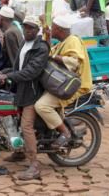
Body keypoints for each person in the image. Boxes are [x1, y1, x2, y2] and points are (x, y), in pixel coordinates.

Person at [0, 16, 49, 180]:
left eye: (31, 28)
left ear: (37, 30)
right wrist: (3, 73)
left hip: (33, 92)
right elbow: (17, 67)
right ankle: (19, 153)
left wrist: (10, 76)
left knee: (26, 126)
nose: (28, 30)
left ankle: (34, 166)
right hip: (21, 90)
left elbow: (31, 71)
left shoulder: (41, 48)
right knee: (17, 121)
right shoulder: (24, 44)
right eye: (26, 27)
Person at [35, 15, 93, 152]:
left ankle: (65, 132)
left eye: (53, 28)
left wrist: (53, 57)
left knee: (42, 106)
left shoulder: (72, 41)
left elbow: (73, 63)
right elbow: (49, 52)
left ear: (60, 30)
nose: (52, 30)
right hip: (62, 83)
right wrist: (46, 31)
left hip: (72, 86)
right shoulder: (62, 42)